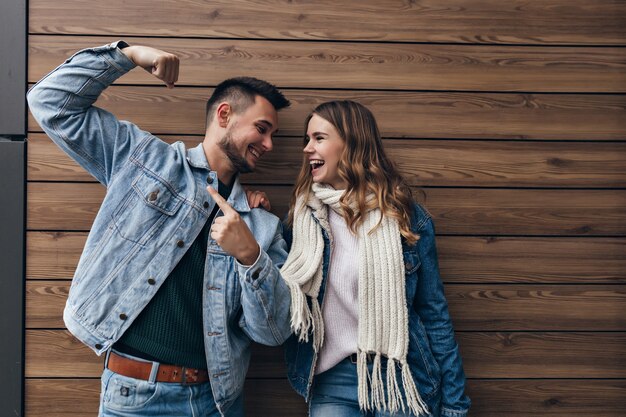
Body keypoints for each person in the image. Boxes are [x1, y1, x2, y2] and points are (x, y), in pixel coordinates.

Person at [27, 41, 292, 417]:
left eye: (273, 136)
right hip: (133, 397)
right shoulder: (144, 160)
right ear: (224, 114)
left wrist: (251, 258)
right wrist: (127, 54)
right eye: (262, 130)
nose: (268, 145)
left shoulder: (263, 226)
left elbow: (273, 332)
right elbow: (49, 103)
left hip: (217, 402)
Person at [279, 101, 471, 416]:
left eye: (318, 138)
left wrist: (454, 403)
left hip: (400, 378)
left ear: (351, 143)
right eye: (307, 138)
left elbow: (435, 316)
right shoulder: (302, 221)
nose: (307, 148)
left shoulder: (405, 219)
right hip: (333, 380)